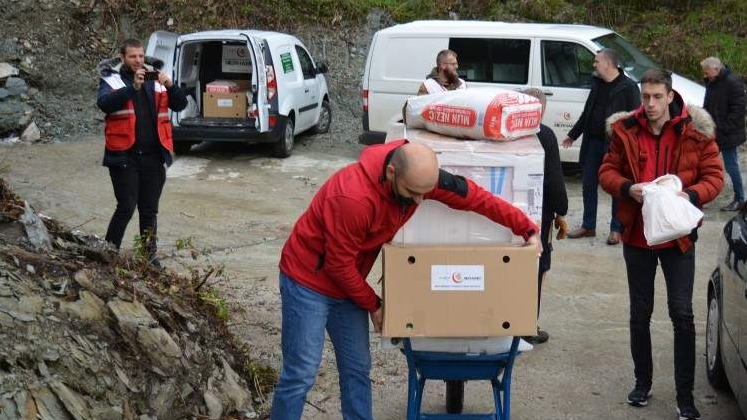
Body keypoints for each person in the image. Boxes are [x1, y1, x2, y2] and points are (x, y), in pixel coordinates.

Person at [270, 140, 540, 419]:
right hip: (307, 282)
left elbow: (473, 197)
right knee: (301, 373)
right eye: (413, 193)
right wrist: (374, 305)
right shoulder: (353, 198)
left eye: (426, 193)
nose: (420, 201)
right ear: (390, 173)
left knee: (357, 369)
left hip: (347, 284)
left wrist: (527, 228)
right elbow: (339, 265)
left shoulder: (417, 179)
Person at [599, 68, 723, 420]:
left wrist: (688, 195)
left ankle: (685, 396)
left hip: (678, 238)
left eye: (657, 97)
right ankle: (643, 383)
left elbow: (714, 176)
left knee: (682, 314)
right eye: (645, 96)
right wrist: (627, 188)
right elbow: (606, 172)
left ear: (671, 96)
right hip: (637, 236)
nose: (650, 104)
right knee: (640, 314)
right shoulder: (625, 130)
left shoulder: (696, 133)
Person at [96, 39, 187, 267]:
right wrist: (132, 88)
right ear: (122, 57)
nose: (137, 61)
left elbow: (180, 104)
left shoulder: (155, 79)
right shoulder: (112, 79)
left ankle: (149, 258)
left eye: (140, 56)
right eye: (132, 56)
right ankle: (108, 253)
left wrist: (171, 86)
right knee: (126, 206)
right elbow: (104, 104)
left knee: (149, 210)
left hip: (154, 156)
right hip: (124, 156)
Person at [562, 48, 641, 245]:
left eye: (596, 61)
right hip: (593, 143)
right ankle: (588, 226)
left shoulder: (628, 87)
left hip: (615, 146)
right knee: (588, 184)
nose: (594, 65)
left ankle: (616, 229)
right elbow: (587, 112)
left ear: (608, 63)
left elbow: (636, 118)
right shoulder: (597, 84)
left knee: (615, 187)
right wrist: (573, 134)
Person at [521, 88, 568, 345]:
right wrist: (562, 208)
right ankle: (527, 325)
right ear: (541, 110)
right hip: (538, 214)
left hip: (506, 212)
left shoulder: (503, 132)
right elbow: (553, 179)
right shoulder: (544, 135)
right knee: (536, 267)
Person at [701, 56, 747, 211]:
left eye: (707, 72)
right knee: (706, 163)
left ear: (716, 69)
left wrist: (723, 127)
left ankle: (740, 199)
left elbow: (739, 110)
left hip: (727, 133)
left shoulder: (733, 82)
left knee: (731, 165)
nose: (705, 75)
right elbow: (709, 104)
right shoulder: (713, 82)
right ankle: (702, 195)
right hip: (713, 131)